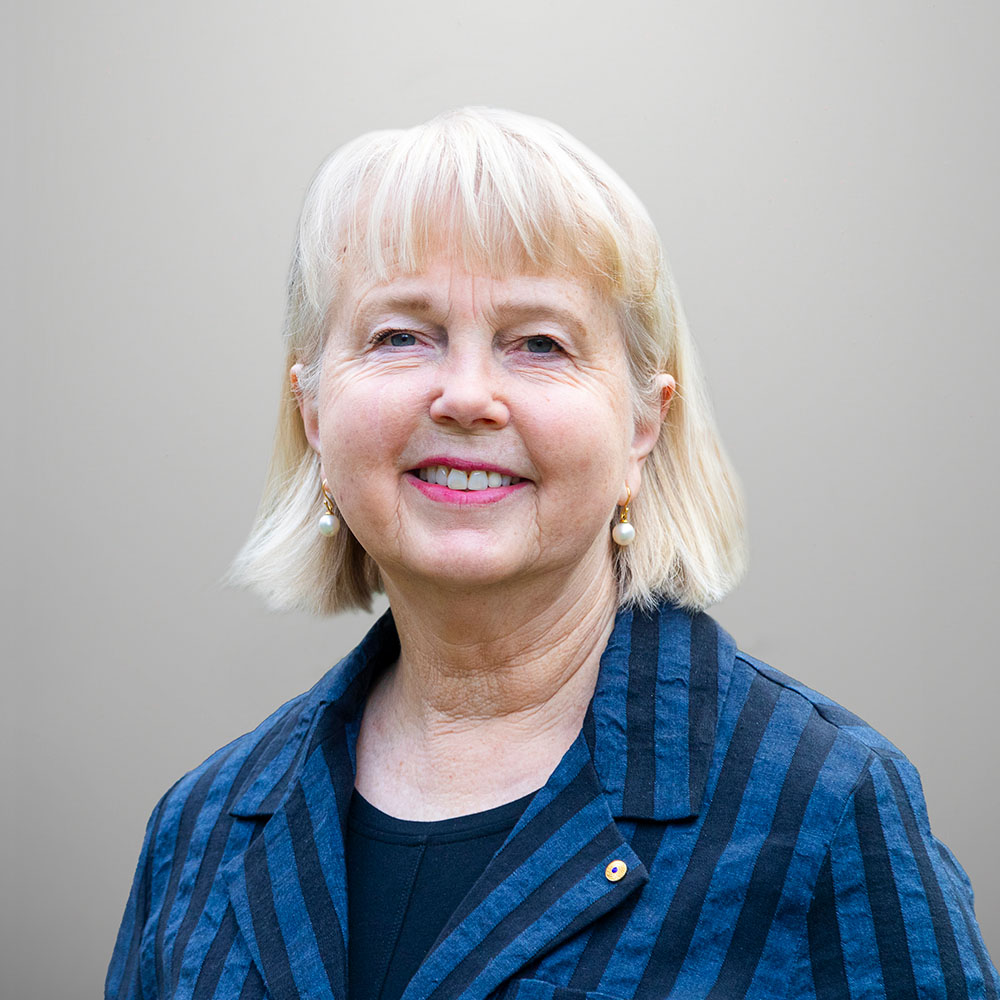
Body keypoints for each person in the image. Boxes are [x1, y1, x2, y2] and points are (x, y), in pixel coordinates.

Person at [106, 108, 997, 1000]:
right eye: (399, 336)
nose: (465, 396)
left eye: (538, 343)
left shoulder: (821, 810)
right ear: (311, 411)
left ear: (644, 422)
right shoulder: (202, 830)